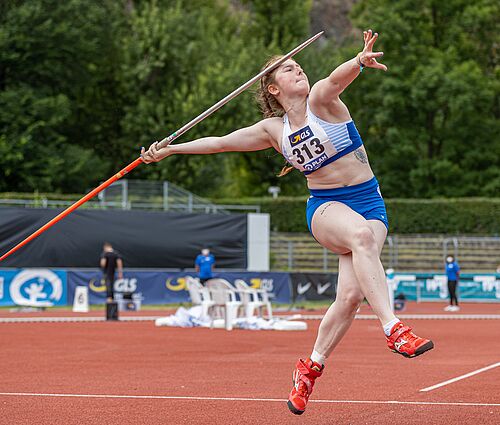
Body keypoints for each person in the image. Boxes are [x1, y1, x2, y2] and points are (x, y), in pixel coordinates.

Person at [141, 29, 434, 415]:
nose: (298, 70)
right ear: (274, 90)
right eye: (288, 70)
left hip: (370, 203)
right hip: (327, 208)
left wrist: (359, 62)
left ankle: (309, 368)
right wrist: (171, 149)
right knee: (360, 238)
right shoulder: (274, 131)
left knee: (348, 298)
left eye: (298, 65)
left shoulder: (321, 102)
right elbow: (220, 142)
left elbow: (335, 78)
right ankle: (394, 329)